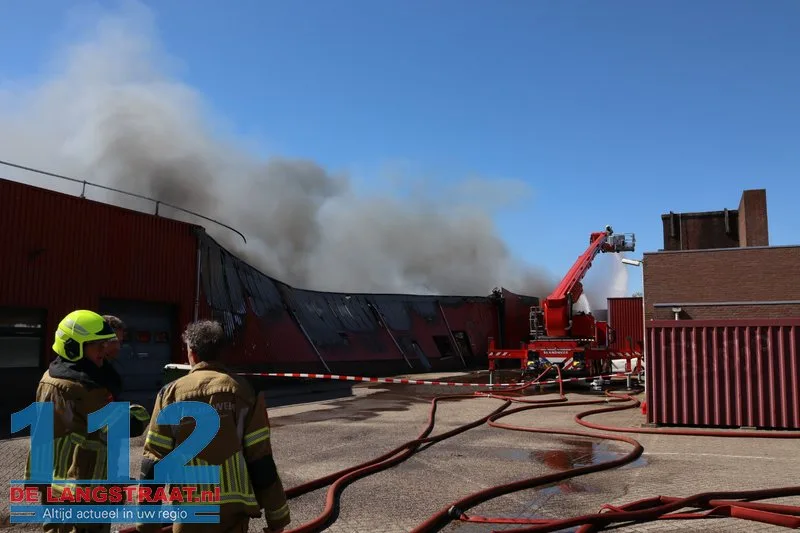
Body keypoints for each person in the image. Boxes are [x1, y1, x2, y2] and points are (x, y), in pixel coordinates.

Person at [136, 320, 290, 533]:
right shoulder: (246, 391)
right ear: (221, 352)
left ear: (192, 353)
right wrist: (277, 517)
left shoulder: (169, 394)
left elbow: (153, 461)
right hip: (233, 515)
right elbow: (260, 459)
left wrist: (147, 522)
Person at [24, 310, 143, 533]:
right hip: (73, 489)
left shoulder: (83, 377)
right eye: (96, 345)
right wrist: (133, 415)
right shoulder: (70, 385)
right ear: (72, 346)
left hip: (86, 484)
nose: (103, 350)